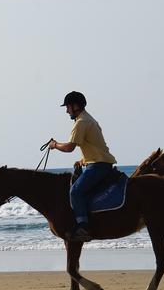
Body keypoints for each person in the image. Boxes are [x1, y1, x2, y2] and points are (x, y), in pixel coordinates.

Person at [48, 91, 117, 242]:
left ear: (75, 106)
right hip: (97, 162)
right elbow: (94, 146)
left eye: (68, 107)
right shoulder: (88, 119)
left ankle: (83, 227)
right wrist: (83, 160)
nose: (67, 111)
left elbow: (69, 147)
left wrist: (54, 145)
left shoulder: (81, 122)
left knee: (75, 191)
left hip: (98, 166)